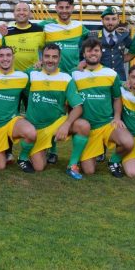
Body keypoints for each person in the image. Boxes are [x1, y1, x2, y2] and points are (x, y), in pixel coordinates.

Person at [26, 44, 90, 179]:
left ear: (59, 59)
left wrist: (66, 124)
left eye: (54, 57)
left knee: (83, 126)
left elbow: (78, 107)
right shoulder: (31, 74)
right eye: (47, 56)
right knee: (39, 167)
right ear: (41, 58)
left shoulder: (66, 78)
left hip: (57, 123)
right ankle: (45, 147)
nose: (50, 60)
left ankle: (72, 165)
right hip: (36, 129)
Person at [73, 37, 133, 177]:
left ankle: (114, 160)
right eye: (89, 51)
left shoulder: (111, 74)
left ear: (101, 53)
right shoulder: (75, 74)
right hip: (87, 128)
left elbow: (117, 98)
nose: (93, 53)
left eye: (96, 50)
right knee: (89, 171)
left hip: (107, 124)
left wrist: (117, 117)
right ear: (84, 53)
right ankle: (87, 152)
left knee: (128, 142)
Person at [0, 46, 37, 172]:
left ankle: (23, 158)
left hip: (12, 122)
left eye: (8, 55)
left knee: (31, 132)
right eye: (1, 55)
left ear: (13, 58)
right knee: (0, 166)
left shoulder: (22, 77)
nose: (5, 58)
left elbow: (34, 94)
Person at [39, 0, 90, 74]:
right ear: (56, 8)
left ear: (72, 8)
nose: (64, 10)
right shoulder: (45, 25)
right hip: (53, 74)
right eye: (61, 7)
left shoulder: (79, 26)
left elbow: (93, 41)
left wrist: (84, 60)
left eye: (67, 7)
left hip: (75, 72)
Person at [90, 6, 132, 81]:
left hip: (119, 79)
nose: (110, 22)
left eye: (114, 19)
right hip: (100, 78)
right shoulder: (93, 37)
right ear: (102, 20)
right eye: (107, 19)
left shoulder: (123, 35)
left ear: (118, 21)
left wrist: (124, 58)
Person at [0, 2, 45, 71]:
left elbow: (48, 50)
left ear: (30, 13)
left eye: (25, 10)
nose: (21, 12)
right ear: (14, 13)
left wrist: (42, 61)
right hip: (13, 76)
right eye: (18, 10)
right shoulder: (6, 32)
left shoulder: (39, 30)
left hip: (34, 74)